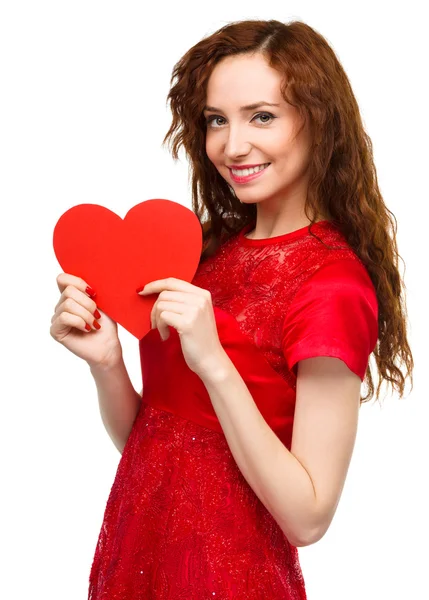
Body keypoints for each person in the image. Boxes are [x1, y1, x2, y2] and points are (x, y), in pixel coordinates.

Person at [50, 18, 414, 600]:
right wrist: (106, 363)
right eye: (216, 119)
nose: (231, 145)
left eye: (261, 116)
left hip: (228, 578)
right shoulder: (203, 250)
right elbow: (158, 444)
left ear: (318, 121)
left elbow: (309, 517)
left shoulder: (332, 286)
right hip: (136, 553)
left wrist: (214, 362)